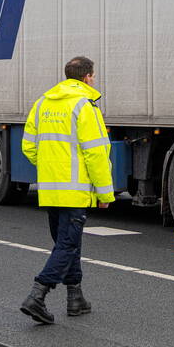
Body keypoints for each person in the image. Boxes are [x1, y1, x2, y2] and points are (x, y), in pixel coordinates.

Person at [19, 56, 115, 324]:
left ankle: (75, 297)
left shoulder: (42, 103)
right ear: (87, 77)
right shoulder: (84, 106)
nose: (94, 80)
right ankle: (37, 295)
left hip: (50, 189)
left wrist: (51, 168)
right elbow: (96, 154)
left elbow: (29, 147)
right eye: (93, 76)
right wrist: (105, 193)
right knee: (68, 244)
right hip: (75, 190)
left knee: (67, 243)